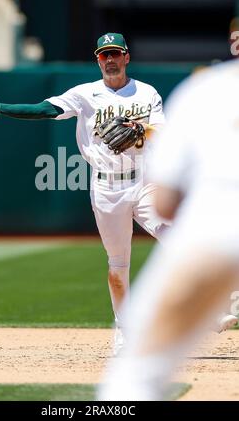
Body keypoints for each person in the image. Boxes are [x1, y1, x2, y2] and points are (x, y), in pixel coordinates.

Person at [0, 33, 169, 355]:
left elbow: (163, 131)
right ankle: (124, 331)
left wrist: (142, 129)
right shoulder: (85, 94)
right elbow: (43, 110)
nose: (110, 59)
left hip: (143, 180)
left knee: (174, 235)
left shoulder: (146, 92)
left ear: (127, 57)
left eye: (115, 53)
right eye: (104, 55)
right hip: (104, 186)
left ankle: (207, 306)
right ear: (97, 59)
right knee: (118, 265)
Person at [98, 58, 239, 401]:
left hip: (217, 228)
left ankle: (223, 306)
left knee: (138, 373)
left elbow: (166, 202)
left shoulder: (206, 88)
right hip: (110, 189)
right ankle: (228, 306)